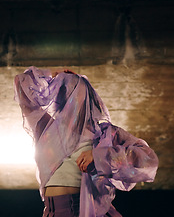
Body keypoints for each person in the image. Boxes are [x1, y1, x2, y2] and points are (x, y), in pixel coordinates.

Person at [14, 66, 159, 217]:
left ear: (87, 97)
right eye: (63, 91)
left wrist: (100, 157)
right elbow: (21, 82)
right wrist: (55, 73)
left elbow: (148, 160)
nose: (70, 98)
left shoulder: (105, 133)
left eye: (75, 91)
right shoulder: (46, 129)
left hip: (88, 211)